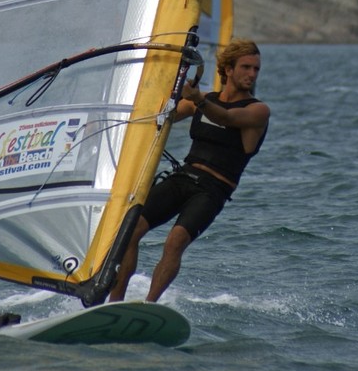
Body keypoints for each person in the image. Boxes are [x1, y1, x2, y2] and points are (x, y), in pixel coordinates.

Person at [109, 39, 270, 303]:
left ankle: (149, 304)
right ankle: (114, 302)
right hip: (183, 176)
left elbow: (226, 118)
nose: (252, 74)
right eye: (246, 67)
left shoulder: (257, 110)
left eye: (256, 69)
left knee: (175, 241)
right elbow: (164, 114)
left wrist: (197, 99)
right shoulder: (204, 100)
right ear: (228, 70)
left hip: (212, 190)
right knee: (130, 230)